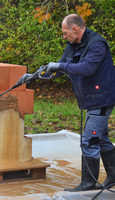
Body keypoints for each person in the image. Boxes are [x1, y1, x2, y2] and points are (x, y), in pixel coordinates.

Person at [18, 14, 115, 191]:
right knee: (100, 138)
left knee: (89, 140)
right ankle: (114, 175)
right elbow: (59, 69)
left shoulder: (97, 44)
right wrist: (34, 76)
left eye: (65, 33)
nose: (64, 37)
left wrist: (59, 66)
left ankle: (88, 184)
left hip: (102, 98)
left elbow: (87, 68)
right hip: (90, 98)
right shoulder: (71, 46)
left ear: (75, 29)